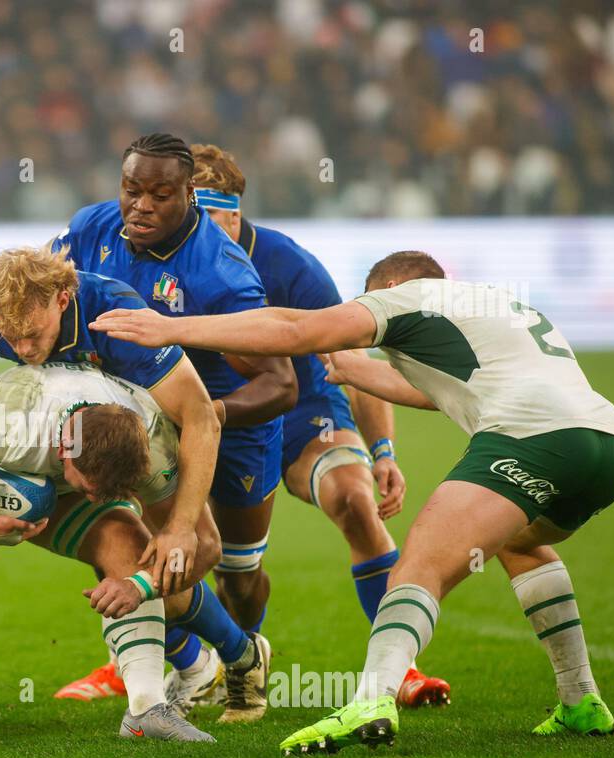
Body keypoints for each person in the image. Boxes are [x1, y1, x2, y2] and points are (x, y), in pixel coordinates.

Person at [91, 250, 614, 754]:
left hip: (531, 440)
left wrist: (168, 328)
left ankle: (370, 701)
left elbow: (294, 328)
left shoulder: (405, 296)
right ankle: (580, 700)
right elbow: (438, 391)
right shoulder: (500, 307)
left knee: (417, 569)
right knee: (519, 542)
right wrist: (354, 370)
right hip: (606, 448)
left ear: (390, 287)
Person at [159, 143, 449, 714]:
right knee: (220, 569)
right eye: (200, 215)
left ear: (237, 213)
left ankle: (401, 670)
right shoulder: (161, 256)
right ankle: (209, 656)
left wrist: (383, 451)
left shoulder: (290, 266)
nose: (209, 228)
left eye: (221, 215)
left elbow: (354, 360)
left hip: (299, 409)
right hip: (212, 414)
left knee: (354, 498)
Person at [0, 244, 226, 719]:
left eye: (31, 334)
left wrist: (182, 523)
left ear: (63, 299)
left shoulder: (115, 314)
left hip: (123, 442)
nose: (22, 349)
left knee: (188, 547)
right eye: (10, 337)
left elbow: (202, 417)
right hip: (39, 435)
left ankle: (218, 657)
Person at [51, 134, 295, 722]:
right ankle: (198, 662)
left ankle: (245, 647)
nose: (140, 206)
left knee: (234, 570)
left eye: (160, 195)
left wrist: (205, 418)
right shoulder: (91, 227)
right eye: (132, 190)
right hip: (137, 418)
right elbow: (48, 295)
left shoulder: (219, 272)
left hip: (230, 428)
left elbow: (280, 383)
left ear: (189, 194)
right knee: (123, 539)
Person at [0, 360, 240, 746]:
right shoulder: (4, 421)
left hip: (65, 471)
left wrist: (139, 585)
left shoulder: (155, 443)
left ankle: (147, 710)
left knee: (130, 544)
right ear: (64, 451)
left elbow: (206, 546)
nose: (97, 500)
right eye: (91, 490)